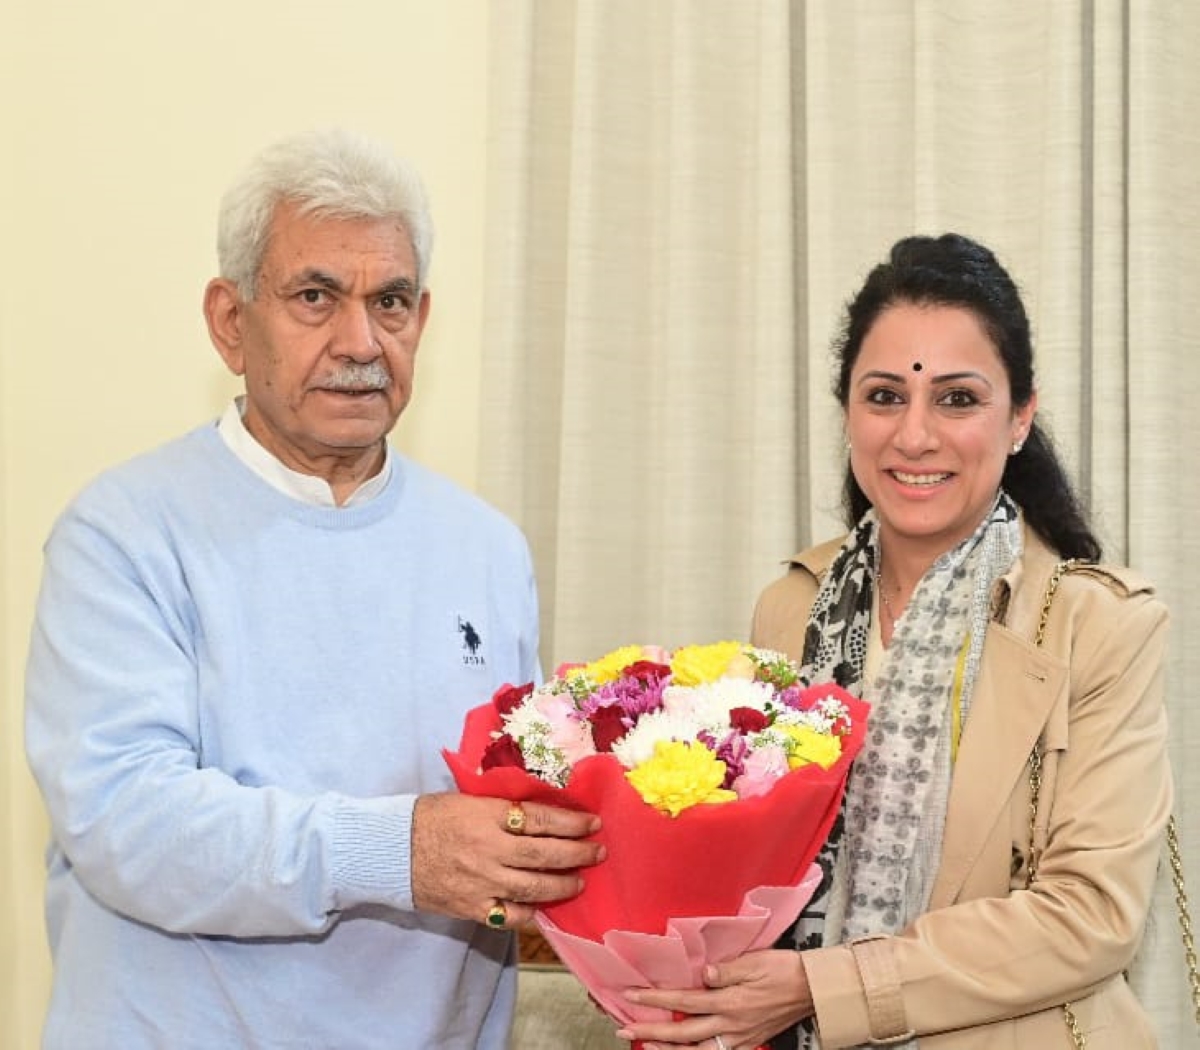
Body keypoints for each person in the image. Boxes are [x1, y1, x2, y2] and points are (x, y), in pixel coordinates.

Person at [24, 128, 604, 1049]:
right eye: (315, 298)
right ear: (229, 321)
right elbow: (128, 823)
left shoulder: (488, 549)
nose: (361, 340)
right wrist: (401, 853)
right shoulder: (125, 532)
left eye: (392, 301)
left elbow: (507, 806)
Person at [617, 233, 1170, 1049]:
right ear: (847, 411)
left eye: (956, 399)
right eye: (885, 396)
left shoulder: (1097, 628)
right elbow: (753, 862)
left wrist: (822, 986)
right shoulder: (791, 610)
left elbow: (1092, 916)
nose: (915, 436)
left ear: (1020, 417)